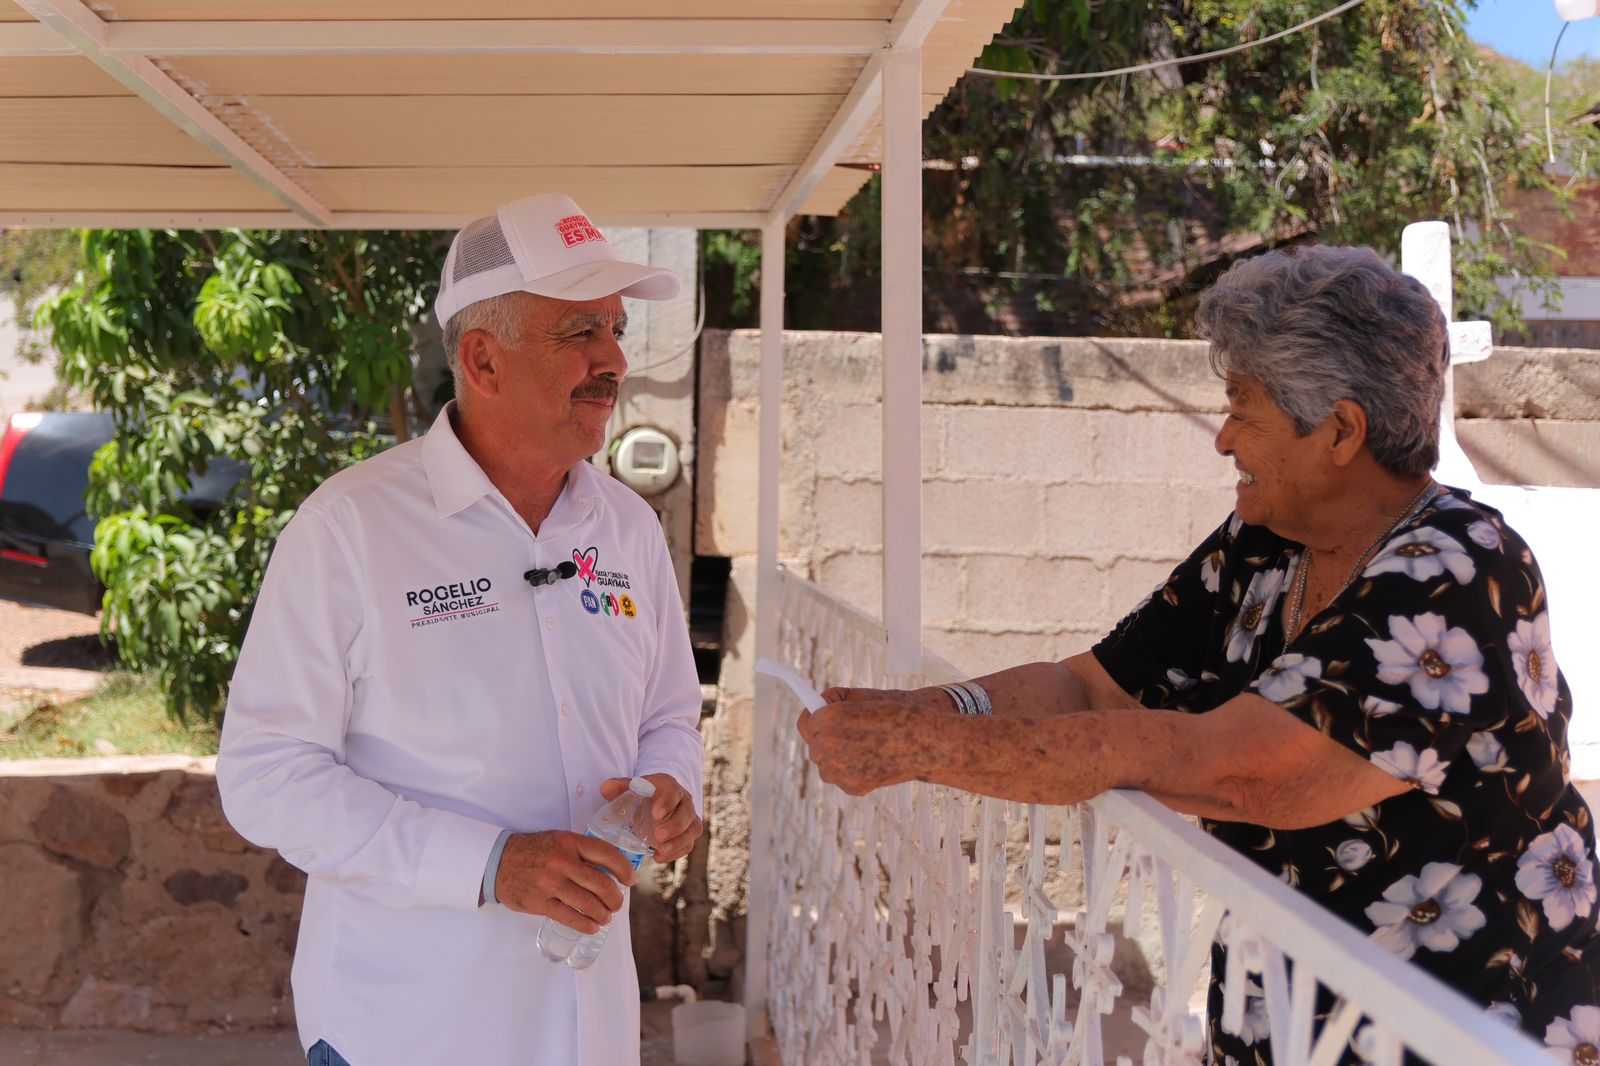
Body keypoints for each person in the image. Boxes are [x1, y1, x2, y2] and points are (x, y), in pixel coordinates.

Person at [801, 245, 1599, 1059]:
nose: (1222, 439)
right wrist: (932, 710)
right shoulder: (1266, 544)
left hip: (1458, 1029)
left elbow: (1242, 771)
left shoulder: (1458, 569)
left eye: (1242, 409)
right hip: (1287, 1018)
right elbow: (1093, 686)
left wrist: (926, 748)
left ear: (1340, 431)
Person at [217, 193, 706, 1066]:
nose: (614, 361)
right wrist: (486, 863)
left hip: (587, 1027)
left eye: (616, 329)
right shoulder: (351, 527)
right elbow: (267, 776)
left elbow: (669, 713)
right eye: (580, 333)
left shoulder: (628, 528)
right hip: (406, 1027)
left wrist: (669, 787)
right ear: (482, 359)